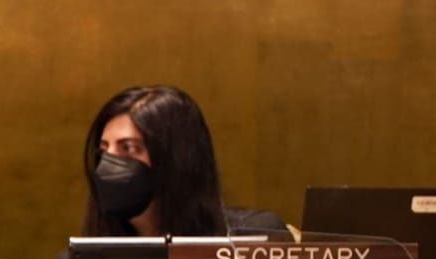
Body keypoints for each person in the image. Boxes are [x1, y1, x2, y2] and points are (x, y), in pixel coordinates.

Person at [78, 84, 287, 239]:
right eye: (103, 150)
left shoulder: (254, 238)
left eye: (129, 148)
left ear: (176, 159)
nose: (108, 163)